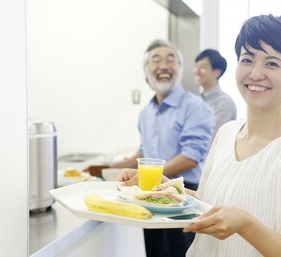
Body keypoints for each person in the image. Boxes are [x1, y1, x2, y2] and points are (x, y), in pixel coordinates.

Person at [119, 14, 281, 257]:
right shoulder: (226, 133)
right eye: (247, 59)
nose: (255, 73)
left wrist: (245, 224)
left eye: (271, 63)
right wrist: (160, 185)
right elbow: (206, 201)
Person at [87, 39, 214, 257]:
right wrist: (105, 169)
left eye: (170, 60)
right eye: (156, 60)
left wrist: (147, 178)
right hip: (147, 195)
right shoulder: (146, 112)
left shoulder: (195, 107)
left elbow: (190, 157)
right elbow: (144, 154)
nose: (163, 65)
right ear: (146, 73)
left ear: (180, 70)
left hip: (183, 197)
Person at [194, 49, 237, 135]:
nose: (197, 71)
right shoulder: (195, 101)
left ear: (216, 72)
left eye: (202, 67)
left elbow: (212, 138)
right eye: (196, 66)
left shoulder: (225, 103)